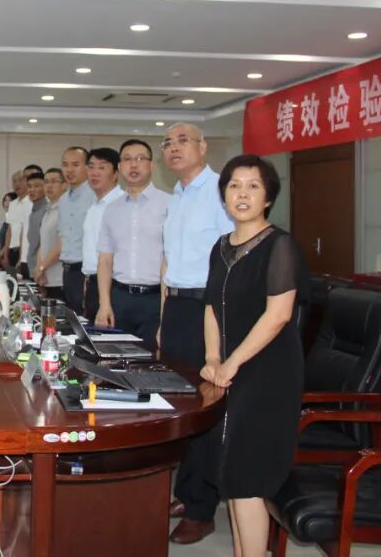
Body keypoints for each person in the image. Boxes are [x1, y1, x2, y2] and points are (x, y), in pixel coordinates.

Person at [201, 154, 306, 557]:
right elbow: (211, 306)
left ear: (268, 198)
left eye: (253, 186)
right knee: (231, 473)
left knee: (247, 477)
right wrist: (213, 357)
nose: (242, 194)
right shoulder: (221, 246)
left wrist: (232, 363)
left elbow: (278, 316)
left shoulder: (280, 245)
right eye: (234, 185)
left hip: (267, 372)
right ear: (224, 195)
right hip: (228, 371)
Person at [160, 122, 235, 545]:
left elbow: (235, 255)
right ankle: (187, 492)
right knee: (183, 403)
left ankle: (202, 508)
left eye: (182, 140)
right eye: (167, 143)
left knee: (206, 406)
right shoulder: (178, 195)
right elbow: (170, 261)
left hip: (210, 308)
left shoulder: (221, 191)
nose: (173, 148)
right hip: (178, 307)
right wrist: (163, 316)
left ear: (203, 147)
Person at [95, 139, 170, 343]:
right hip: (120, 298)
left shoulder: (169, 204)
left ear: (151, 165)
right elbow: (105, 260)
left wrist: (166, 313)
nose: (133, 165)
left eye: (140, 159)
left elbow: (171, 260)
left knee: (152, 357)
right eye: (127, 159)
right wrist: (104, 304)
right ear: (120, 167)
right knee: (116, 355)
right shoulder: (112, 209)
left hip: (155, 299)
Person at [81, 148, 124, 320]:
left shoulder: (121, 203)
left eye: (102, 167)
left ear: (115, 173)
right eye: (91, 167)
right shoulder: (93, 205)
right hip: (92, 282)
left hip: (112, 285)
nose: (95, 173)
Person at [56, 146, 93, 314]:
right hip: (68, 271)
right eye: (65, 165)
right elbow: (63, 236)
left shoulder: (95, 196)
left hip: (86, 273)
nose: (69, 170)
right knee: (72, 321)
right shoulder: (63, 200)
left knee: (87, 321)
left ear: (87, 167)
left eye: (75, 164)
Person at [34, 170, 65, 301]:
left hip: (61, 280)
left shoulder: (65, 210)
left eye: (53, 181)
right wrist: (39, 269)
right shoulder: (47, 211)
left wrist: (42, 268)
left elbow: (60, 247)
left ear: (64, 185)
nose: (49, 186)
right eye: (46, 182)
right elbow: (43, 244)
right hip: (47, 279)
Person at [23, 173, 48, 282]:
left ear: (45, 188)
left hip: (43, 271)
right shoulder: (33, 212)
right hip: (33, 267)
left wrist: (41, 268)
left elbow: (46, 244)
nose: (32, 190)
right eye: (29, 186)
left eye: (37, 186)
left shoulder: (47, 211)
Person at [2, 170, 27, 269]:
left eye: (20, 180)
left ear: (27, 182)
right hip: (12, 251)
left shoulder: (31, 202)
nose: (17, 184)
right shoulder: (12, 204)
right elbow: (9, 230)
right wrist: (5, 255)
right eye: (14, 181)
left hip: (25, 251)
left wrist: (21, 257)